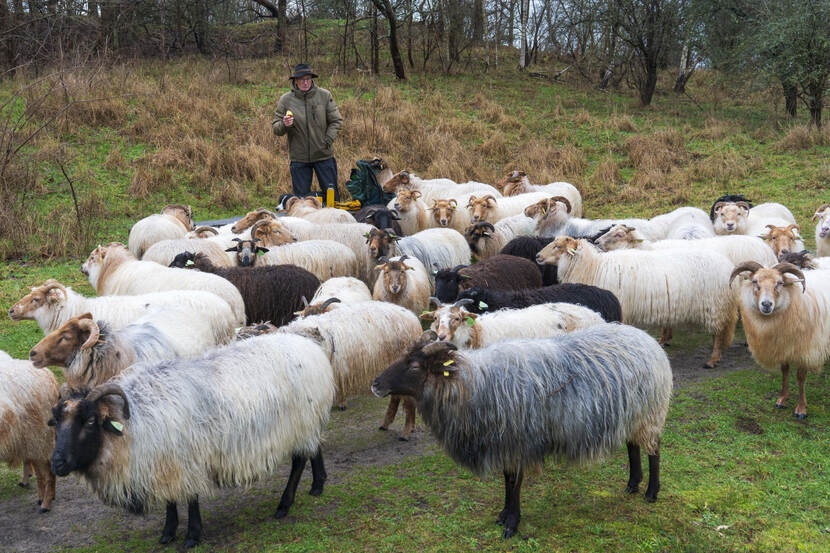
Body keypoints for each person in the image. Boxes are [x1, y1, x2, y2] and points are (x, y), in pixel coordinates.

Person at [272, 63, 344, 200]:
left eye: (308, 79)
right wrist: (284, 124)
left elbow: (337, 121)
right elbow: (276, 128)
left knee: (332, 199)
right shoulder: (286, 100)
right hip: (299, 159)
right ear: (295, 81)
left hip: (324, 156)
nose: (305, 82)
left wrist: (327, 140)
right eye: (302, 79)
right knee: (302, 201)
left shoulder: (324, 95)